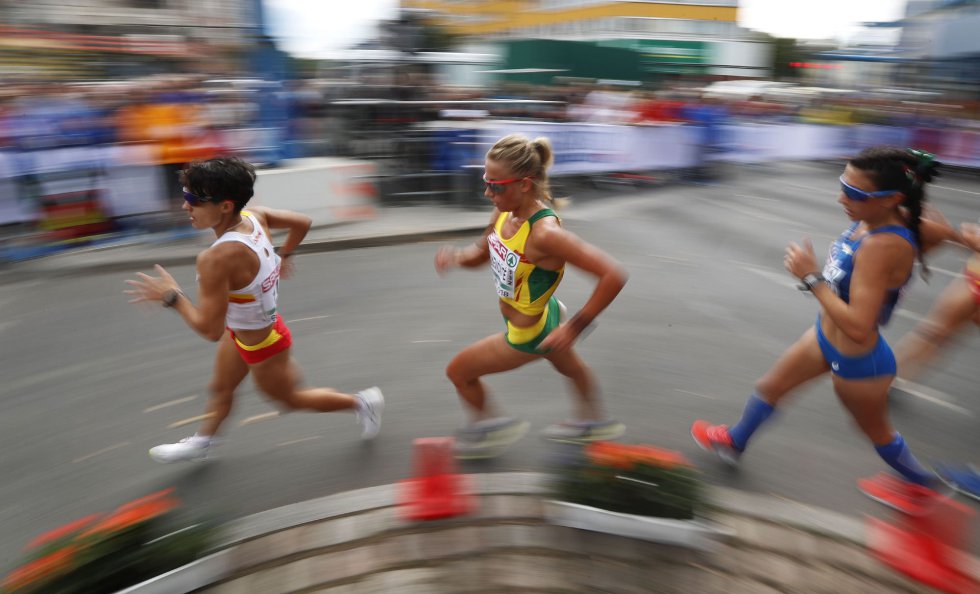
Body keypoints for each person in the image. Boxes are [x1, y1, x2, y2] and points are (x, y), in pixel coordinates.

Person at [690, 147, 952, 509]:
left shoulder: (882, 245)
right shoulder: (881, 218)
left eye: (855, 194)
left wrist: (811, 277)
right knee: (770, 387)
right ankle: (734, 442)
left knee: (876, 432)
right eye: (843, 184)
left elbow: (859, 328)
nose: (842, 197)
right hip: (824, 337)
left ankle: (926, 485)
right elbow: (936, 233)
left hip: (859, 360)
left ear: (891, 199)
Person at [125, 157, 383, 463]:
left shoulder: (217, 258)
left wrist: (172, 296)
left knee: (291, 399)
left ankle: (362, 402)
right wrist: (285, 255)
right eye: (185, 196)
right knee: (221, 388)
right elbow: (303, 222)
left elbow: (210, 330)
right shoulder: (254, 217)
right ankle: (204, 441)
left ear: (225, 206)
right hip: (244, 330)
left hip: (263, 343)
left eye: (193, 199)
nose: (185, 206)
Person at [434, 134, 628, 458]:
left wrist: (575, 327)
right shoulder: (504, 213)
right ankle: (594, 421)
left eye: (496, 186)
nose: (488, 192)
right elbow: (482, 253)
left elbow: (613, 274)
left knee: (458, 372)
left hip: (528, 333)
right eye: (486, 182)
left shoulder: (546, 233)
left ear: (524, 184)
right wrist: (456, 256)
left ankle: (488, 428)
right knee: (568, 364)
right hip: (549, 313)